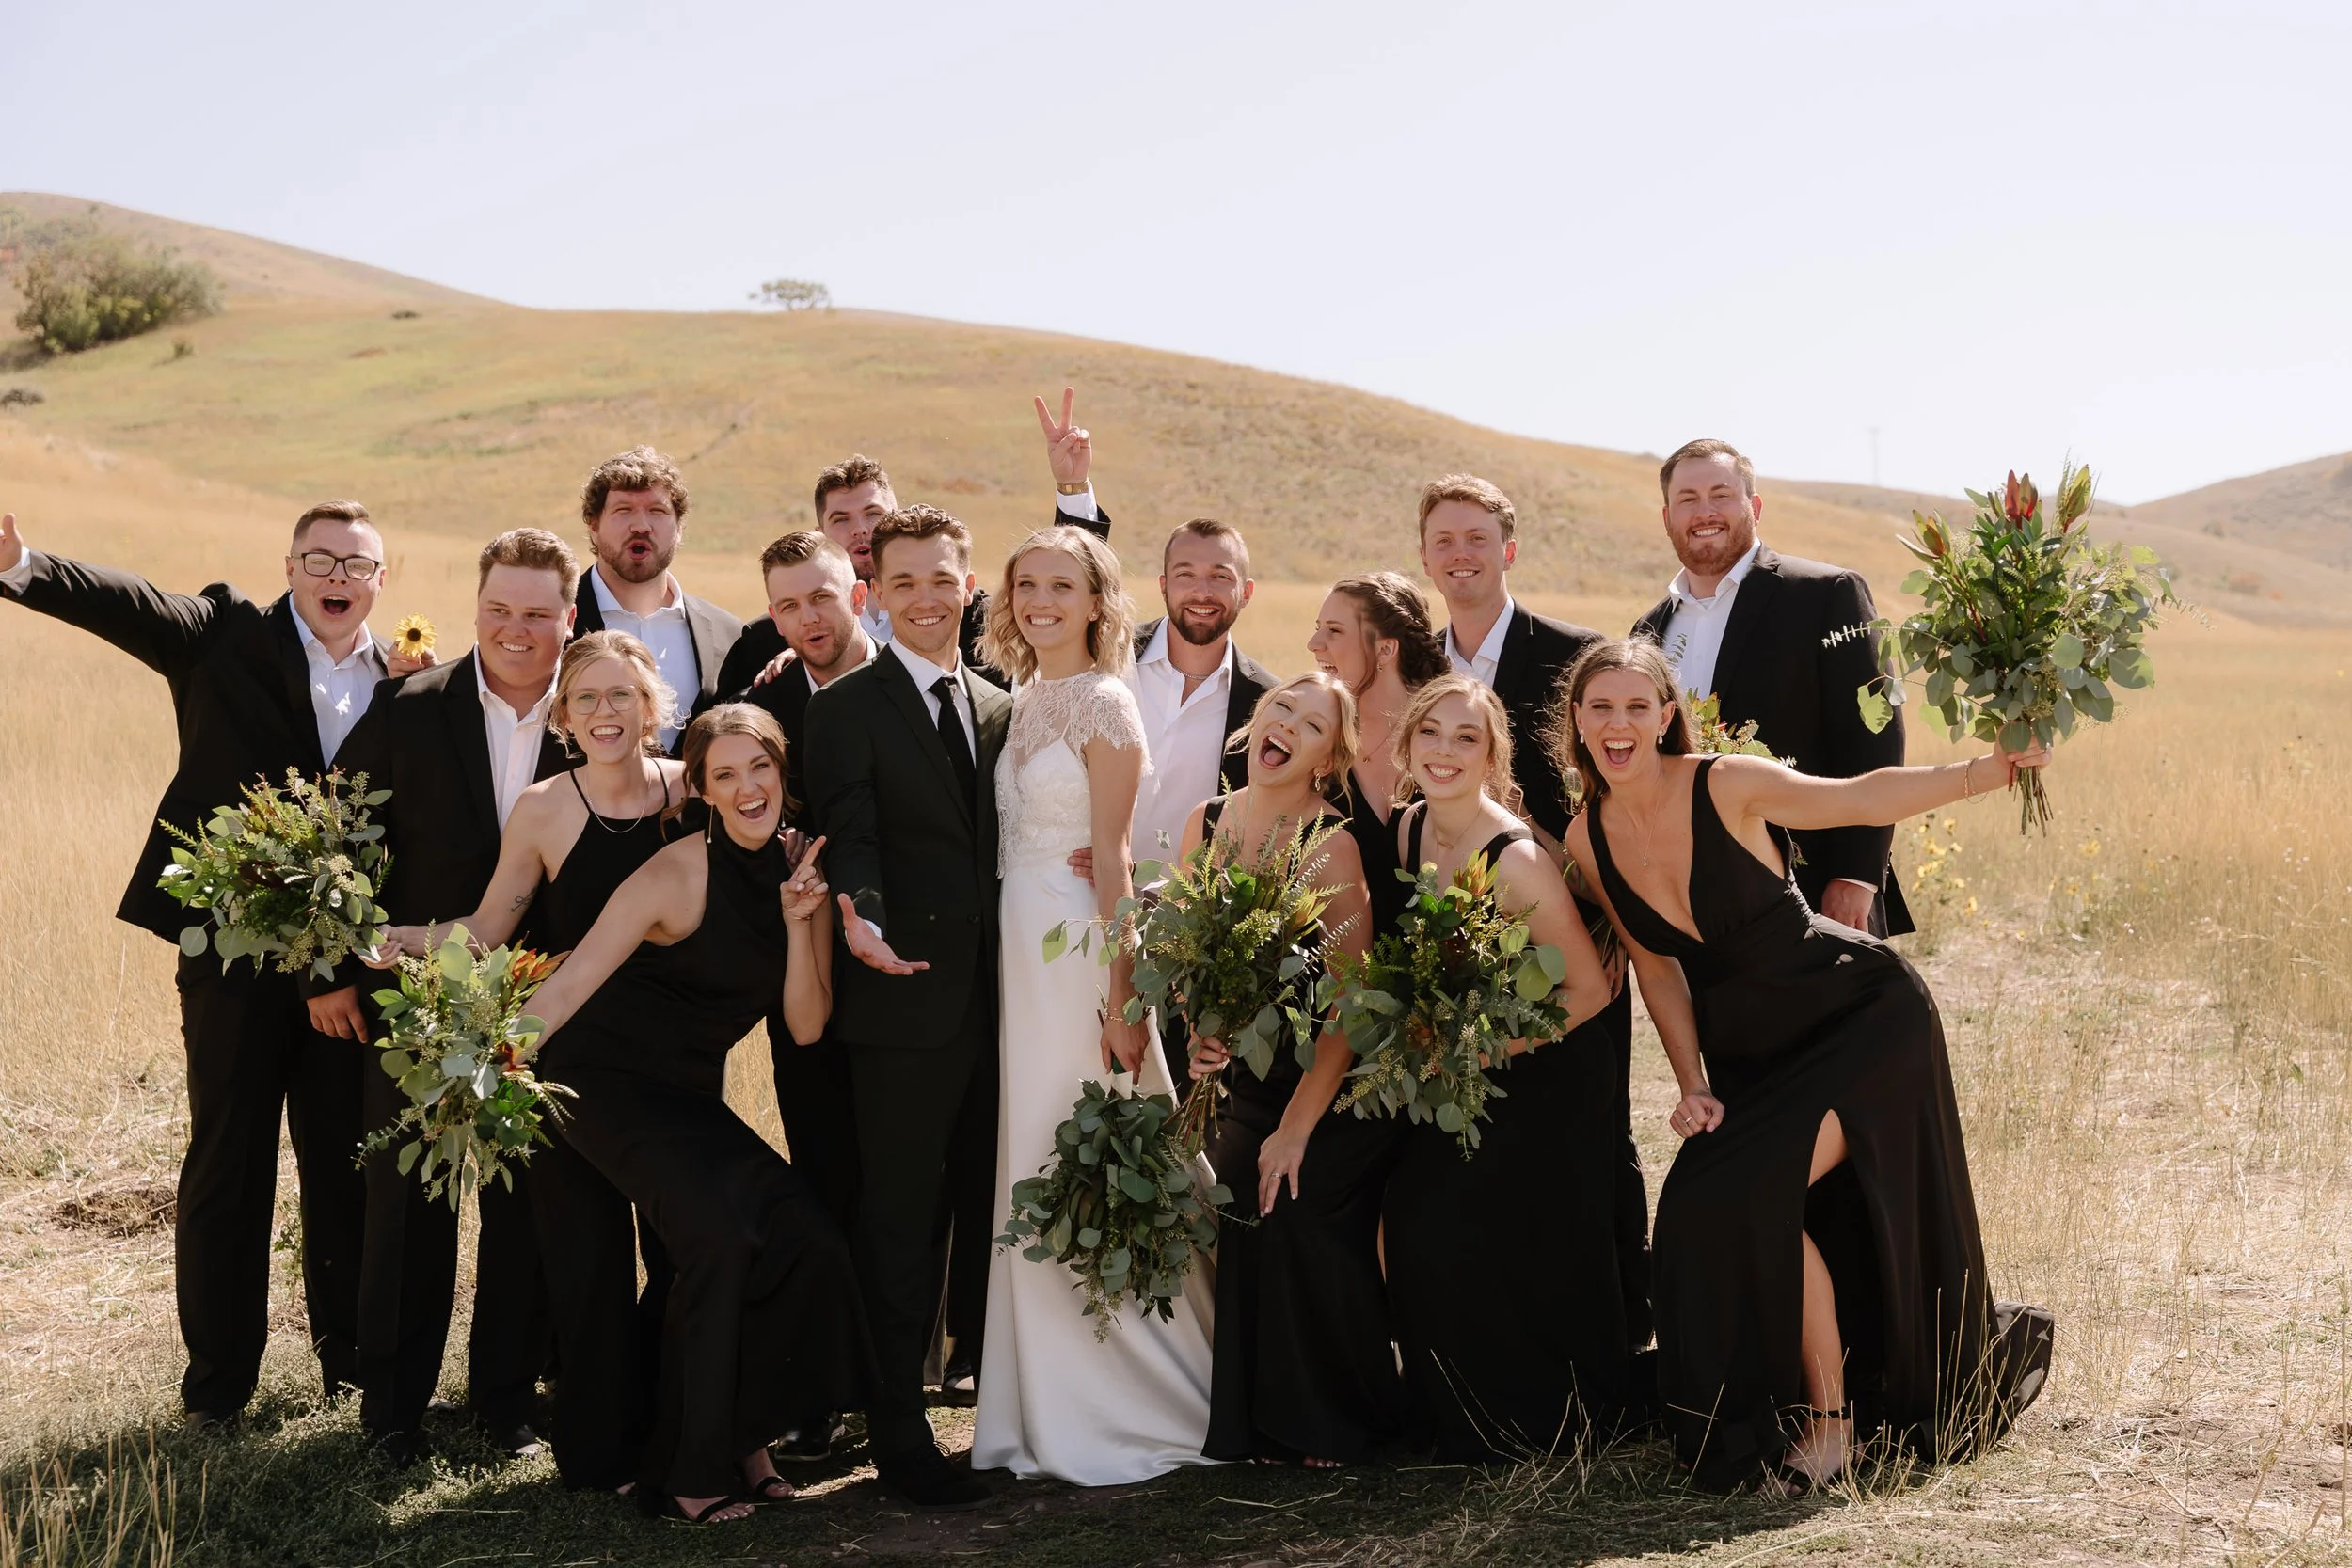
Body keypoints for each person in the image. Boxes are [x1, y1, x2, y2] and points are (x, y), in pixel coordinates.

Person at [1555, 639, 2052, 1492]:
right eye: (1599, 706)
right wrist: (1692, 1083)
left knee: (1753, 1195)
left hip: (1858, 1020)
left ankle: (1831, 1426)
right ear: (1576, 721)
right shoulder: (1587, 836)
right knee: (1699, 1210)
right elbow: (1656, 965)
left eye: (1637, 705)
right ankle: (1811, 1395)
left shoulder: (1725, 781)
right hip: (1752, 1057)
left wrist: (1986, 771)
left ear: (1667, 715)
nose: (1618, 723)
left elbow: (1859, 795)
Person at [0, 501, 422, 1433]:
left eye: (357, 561)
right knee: (230, 1160)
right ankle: (218, 1387)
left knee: (341, 1162)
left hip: (347, 969)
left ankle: (348, 1369)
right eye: (319, 558)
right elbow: (131, 603)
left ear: (380, 580)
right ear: (290, 566)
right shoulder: (226, 633)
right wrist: (24, 562)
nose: (337, 574)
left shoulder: (405, 678)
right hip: (231, 956)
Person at [526, 704, 871, 1524]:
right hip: (596, 1080)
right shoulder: (674, 872)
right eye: (725, 775)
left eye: (760, 768)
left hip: (682, 1096)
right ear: (703, 790)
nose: (747, 787)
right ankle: (691, 1473)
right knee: (718, 1237)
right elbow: (573, 985)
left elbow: (806, 1023)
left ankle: (742, 1434)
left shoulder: (804, 872)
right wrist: (488, 1063)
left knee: (802, 1234)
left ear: (783, 772)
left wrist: (797, 922)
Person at [368, 630, 692, 1491]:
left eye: (621, 694)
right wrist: (402, 939)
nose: (604, 712)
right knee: (583, 1258)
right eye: (584, 698)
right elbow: (485, 931)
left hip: (676, 1059)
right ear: (562, 716)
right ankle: (599, 1451)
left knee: (677, 1250)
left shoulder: (693, 791)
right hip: (565, 1054)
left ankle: (683, 1424)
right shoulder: (545, 808)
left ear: (653, 701)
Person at [322, 528, 581, 1465]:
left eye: (538, 612)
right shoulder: (409, 704)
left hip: (547, 999)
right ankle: (393, 1410)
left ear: (570, 618)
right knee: (405, 1207)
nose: (517, 629)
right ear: (475, 609)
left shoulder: (593, 712)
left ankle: (506, 1402)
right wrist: (340, 973)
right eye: (500, 609)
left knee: (524, 1205)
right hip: (416, 996)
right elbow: (336, 841)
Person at [969, 525, 1218, 1487]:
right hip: (1015, 950)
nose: (1039, 599)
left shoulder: (1109, 702)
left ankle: (1138, 1390)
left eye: (1060, 585)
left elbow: (1112, 858)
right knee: (1030, 1149)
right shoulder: (1024, 698)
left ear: (1097, 600)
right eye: (1026, 583)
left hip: (1075, 950)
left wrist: (1123, 999)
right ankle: (1037, 1398)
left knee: (1091, 1142)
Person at [801, 504, 1010, 1509]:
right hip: (899, 1002)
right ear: (873, 594)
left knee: (993, 1209)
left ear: (968, 587)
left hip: (1005, 1009)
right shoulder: (845, 708)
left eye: (944, 578)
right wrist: (863, 919)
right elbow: (855, 833)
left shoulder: (1003, 703)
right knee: (897, 1222)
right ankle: (896, 1429)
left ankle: (1009, 1411)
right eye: (906, 582)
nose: (927, 598)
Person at [1416, 475, 1650, 1353]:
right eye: (1444, 540)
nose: (1461, 554)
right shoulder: (1417, 665)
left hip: (1574, 938)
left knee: (1587, 1132)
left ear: (1507, 549)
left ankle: (1619, 1329)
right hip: (1453, 938)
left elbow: (1620, 787)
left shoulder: (1576, 654)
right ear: (1427, 555)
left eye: (1477, 537)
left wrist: (1611, 916)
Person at [1377, 676, 1629, 1462]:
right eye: (1433, 735)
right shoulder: (1407, 826)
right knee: (1419, 1230)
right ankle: (1451, 1408)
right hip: (1457, 1066)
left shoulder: (1515, 857)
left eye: (1466, 739)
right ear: (1409, 743)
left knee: (1470, 1231)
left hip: (1540, 1066)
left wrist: (1483, 1049)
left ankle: (1529, 1419)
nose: (1445, 751)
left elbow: (1587, 988)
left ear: (1492, 757)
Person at [1179, 673, 1405, 1468]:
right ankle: (1262, 1421)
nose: (1287, 725)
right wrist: (1200, 1030)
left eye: (1312, 725)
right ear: (1257, 720)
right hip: (1247, 1079)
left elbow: (1351, 1006)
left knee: (1294, 1205)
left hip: (1333, 1082)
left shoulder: (1331, 843)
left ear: (1326, 758)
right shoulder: (1206, 820)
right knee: (1238, 1200)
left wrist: (1295, 1130)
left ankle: (1338, 1419)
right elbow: (1189, 963)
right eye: (1282, 707)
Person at [1632, 438, 1913, 937]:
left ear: (1754, 506)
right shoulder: (1648, 631)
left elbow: (1875, 736)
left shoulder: (1826, 595)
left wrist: (1856, 873)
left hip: (1812, 886)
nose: (1705, 512)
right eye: (1688, 500)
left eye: (1721, 494)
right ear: (1667, 517)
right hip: (1687, 900)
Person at [728, 530, 875, 1458]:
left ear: (853, 585)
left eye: (820, 595)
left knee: (901, 1181)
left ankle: (904, 1369)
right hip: (808, 970)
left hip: (910, 974)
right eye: (788, 604)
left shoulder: (909, 677)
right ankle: (830, 1386)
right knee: (823, 1168)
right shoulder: (766, 698)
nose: (808, 618)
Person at [724, 394, 1113, 689]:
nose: (861, 529)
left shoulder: (974, 616)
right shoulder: (769, 641)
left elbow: (1073, 590)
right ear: (820, 532)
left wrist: (1072, 487)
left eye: (873, 514)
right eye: (841, 519)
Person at [566, 448, 743, 752]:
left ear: (679, 528)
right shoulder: (552, 626)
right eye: (624, 511)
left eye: (657, 511)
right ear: (593, 527)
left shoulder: (731, 636)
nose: (641, 526)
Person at [1307, 572, 1449, 933]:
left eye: (1334, 631)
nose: (1314, 643)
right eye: (1318, 628)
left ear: (1386, 648)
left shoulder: (1455, 738)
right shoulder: (1318, 740)